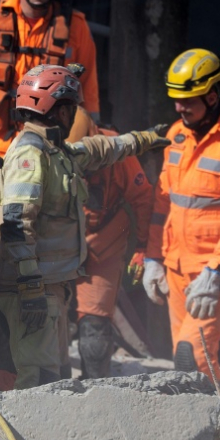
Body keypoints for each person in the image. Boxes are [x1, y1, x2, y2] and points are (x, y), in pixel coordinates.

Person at [0, 64, 170, 389]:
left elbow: (101, 149)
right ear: (58, 109)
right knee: (41, 384)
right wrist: (30, 288)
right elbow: (17, 225)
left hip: (49, 289)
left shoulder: (55, 151)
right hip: (32, 290)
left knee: (57, 378)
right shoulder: (29, 157)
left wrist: (144, 140)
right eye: (71, 107)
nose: (74, 114)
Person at [0, 0, 100, 325]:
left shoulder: (76, 27)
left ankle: (44, 329)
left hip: (51, 150)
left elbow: (89, 106)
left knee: (46, 243)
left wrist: (81, 155)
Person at [144, 48, 220, 383]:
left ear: (212, 96)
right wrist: (153, 258)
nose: (179, 108)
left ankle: (216, 430)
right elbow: (162, 205)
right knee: (188, 364)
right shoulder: (176, 136)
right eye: (176, 100)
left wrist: (215, 271)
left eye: (188, 101)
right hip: (178, 269)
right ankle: (214, 426)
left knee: (190, 354)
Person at [66, 107, 153, 379]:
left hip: (101, 242)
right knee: (45, 325)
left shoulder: (118, 152)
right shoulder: (38, 150)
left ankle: (96, 388)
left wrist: (143, 248)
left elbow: (142, 200)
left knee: (95, 327)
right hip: (56, 242)